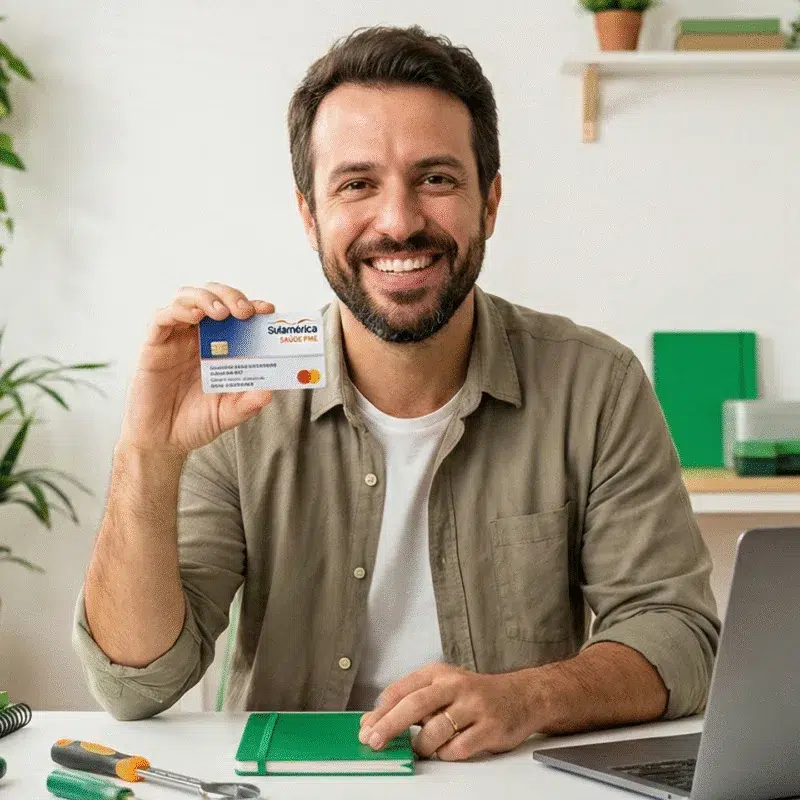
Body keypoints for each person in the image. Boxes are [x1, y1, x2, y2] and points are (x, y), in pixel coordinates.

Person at [73, 25, 719, 762]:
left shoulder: (594, 384)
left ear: (490, 203)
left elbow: (679, 636)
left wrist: (528, 696)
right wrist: (147, 453)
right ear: (310, 216)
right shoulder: (242, 397)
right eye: (357, 184)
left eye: (436, 178)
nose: (400, 220)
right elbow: (133, 687)